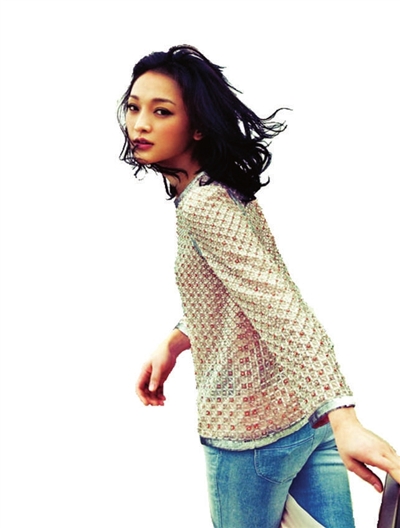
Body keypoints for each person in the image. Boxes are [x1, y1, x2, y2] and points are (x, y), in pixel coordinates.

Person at [117, 45, 400, 528]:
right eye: (133, 107)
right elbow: (239, 291)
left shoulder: (203, 205)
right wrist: (178, 339)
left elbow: (277, 303)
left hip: (251, 437)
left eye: (161, 112)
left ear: (197, 126)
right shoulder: (220, 188)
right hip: (307, 419)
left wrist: (345, 416)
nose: (139, 124)